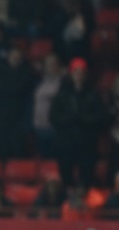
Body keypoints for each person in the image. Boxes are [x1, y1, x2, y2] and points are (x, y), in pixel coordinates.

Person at [49, 57, 106, 187]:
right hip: (66, 142)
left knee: (87, 176)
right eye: (76, 72)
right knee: (66, 176)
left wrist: (83, 119)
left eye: (81, 72)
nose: (79, 76)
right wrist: (70, 119)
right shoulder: (62, 93)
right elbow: (54, 117)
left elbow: (101, 117)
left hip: (87, 143)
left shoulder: (93, 93)